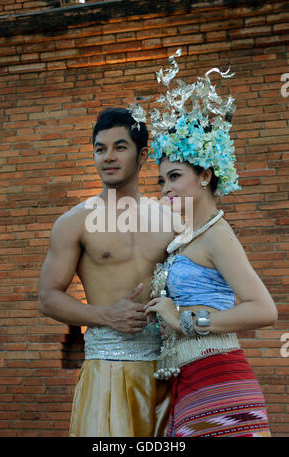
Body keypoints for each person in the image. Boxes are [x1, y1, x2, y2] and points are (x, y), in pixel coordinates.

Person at [132, 49, 278, 437]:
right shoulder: (183, 237)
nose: (165, 189)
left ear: (206, 173)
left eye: (175, 176)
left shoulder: (216, 233)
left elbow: (265, 310)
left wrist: (186, 320)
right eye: (161, 180)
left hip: (218, 380)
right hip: (186, 382)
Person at [38, 107, 175, 437]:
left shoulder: (172, 220)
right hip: (107, 372)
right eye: (100, 149)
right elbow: (47, 297)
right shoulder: (75, 221)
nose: (108, 157)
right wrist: (104, 316)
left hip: (168, 373)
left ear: (143, 155)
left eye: (120, 147)